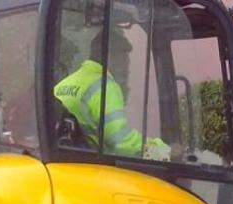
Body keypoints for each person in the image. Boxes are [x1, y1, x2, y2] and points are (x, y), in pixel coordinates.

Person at [54, 29, 171, 159]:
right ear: (109, 57)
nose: (127, 65)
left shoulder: (63, 85)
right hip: (94, 169)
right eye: (124, 59)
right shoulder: (105, 86)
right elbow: (122, 143)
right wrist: (163, 151)